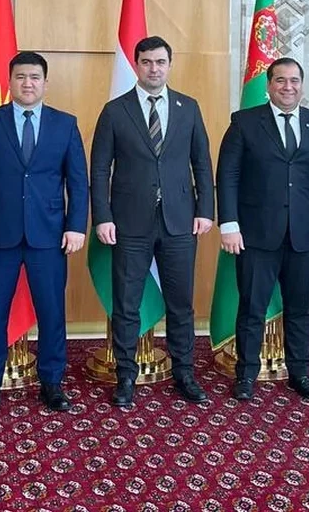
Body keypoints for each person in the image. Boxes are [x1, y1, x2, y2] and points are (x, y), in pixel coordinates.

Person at [0, 51, 89, 414]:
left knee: (52, 312)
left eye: (34, 77)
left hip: (49, 236)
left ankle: (52, 383)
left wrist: (75, 226)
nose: (27, 83)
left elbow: (78, 183)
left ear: (45, 83)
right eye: (20, 77)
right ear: (10, 82)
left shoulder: (65, 124)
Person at [90, 35, 215, 407]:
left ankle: (184, 373)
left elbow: (202, 163)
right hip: (129, 224)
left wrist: (205, 209)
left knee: (181, 304)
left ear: (169, 64)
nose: (154, 68)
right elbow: (100, 169)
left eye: (160, 62)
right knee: (126, 304)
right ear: (136, 65)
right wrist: (103, 217)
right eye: (146, 62)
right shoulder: (115, 111)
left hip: (180, 222)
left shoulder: (188, 107)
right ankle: (126, 376)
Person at [217, 57, 309, 401]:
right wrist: (228, 224)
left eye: (294, 81)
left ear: (302, 85)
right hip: (256, 235)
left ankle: (300, 372)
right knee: (251, 308)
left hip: (306, 236)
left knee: (301, 310)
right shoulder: (244, 122)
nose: (287, 87)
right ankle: (246, 374)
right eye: (280, 80)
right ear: (268, 86)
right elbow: (227, 176)